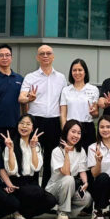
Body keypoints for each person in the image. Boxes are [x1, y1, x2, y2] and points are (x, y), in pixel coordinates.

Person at [19, 44, 67, 186]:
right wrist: (29, 98)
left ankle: (47, 188)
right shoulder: (30, 77)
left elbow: (64, 101)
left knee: (50, 157)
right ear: (37, 57)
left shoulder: (61, 78)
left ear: (53, 56)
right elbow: (21, 98)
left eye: (48, 53)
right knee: (33, 153)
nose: (45, 56)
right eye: (42, 54)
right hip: (36, 121)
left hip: (54, 121)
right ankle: (32, 187)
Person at [5, 114, 57, 219]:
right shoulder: (11, 144)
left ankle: (22, 212)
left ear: (32, 128)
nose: (24, 126)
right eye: (22, 123)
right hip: (17, 183)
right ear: (17, 126)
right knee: (36, 192)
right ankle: (19, 209)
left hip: (31, 182)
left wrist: (33, 147)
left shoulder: (37, 145)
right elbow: (11, 170)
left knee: (51, 200)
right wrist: (10, 150)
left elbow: (36, 168)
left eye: (28, 124)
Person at [46, 119, 91, 219]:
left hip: (70, 188)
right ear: (66, 132)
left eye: (79, 133)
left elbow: (82, 170)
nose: (76, 135)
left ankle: (65, 212)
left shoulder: (81, 150)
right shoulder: (57, 151)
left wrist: (85, 182)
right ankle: (63, 210)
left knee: (87, 198)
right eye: (73, 132)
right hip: (55, 189)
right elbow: (66, 172)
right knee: (69, 178)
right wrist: (66, 153)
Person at [59, 58, 99, 151]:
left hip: (88, 128)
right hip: (71, 128)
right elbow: (63, 114)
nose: (77, 73)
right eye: (74, 70)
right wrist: (65, 130)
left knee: (89, 155)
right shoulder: (66, 90)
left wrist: (93, 112)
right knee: (70, 154)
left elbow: (96, 114)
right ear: (71, 72)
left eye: (80, 70)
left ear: (85, 72)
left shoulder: (93, 89)